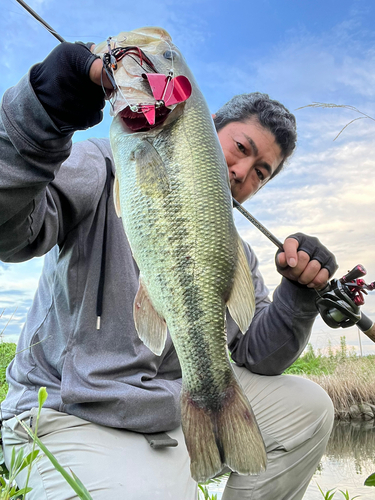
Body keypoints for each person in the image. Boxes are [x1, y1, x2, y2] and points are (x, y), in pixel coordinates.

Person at [0, 41, 337, 500]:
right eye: (241, 148)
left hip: (165, 406)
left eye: (262, 172)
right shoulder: (103, 164)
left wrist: (297, 298)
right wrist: (41, 114)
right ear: (203, 124)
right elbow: (12, 232)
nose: (242, 172)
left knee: (309, 408)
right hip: (70, 411)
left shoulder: (233, 247)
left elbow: (257, 355)